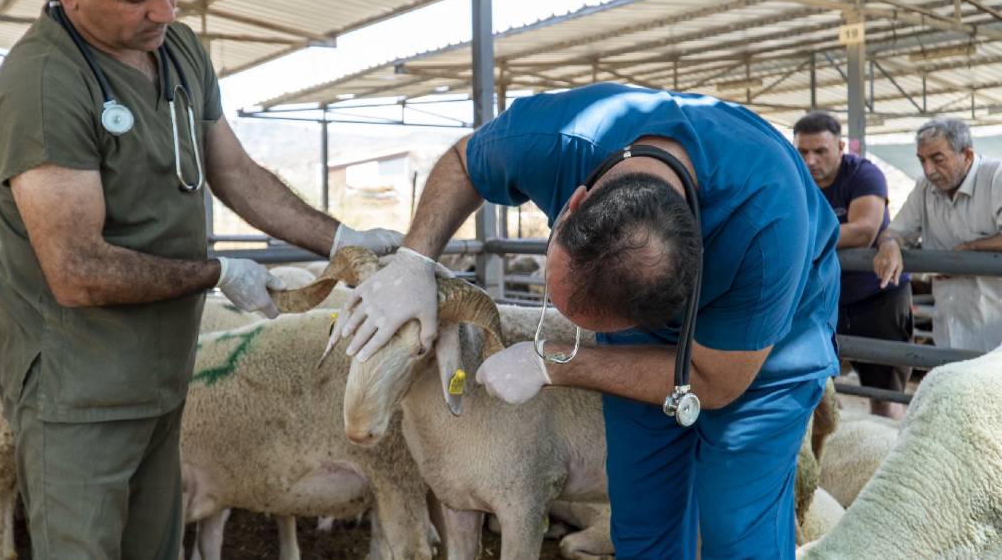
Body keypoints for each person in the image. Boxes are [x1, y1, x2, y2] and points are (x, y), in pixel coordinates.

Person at [0, 0, 400, 557]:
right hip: (77, 388)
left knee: (156, 546)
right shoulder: (44, 86)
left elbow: (234, 170)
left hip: (161, 374)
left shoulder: (179, 49)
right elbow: (76, 269)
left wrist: (339, 238)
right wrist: (217, 271)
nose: (164, 10)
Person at [332, 83, 840, 558]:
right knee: (642, 516)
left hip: (767, 340)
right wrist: (415, 260)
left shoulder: (764, 230)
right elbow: (464, 163)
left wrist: (555, 363)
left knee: (737, 527)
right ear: (573, 204)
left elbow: (715, 380)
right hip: (642, 313)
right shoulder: (556, 140)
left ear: (686, 287)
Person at [793, 112, 912, 420]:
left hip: (877, 297)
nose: (810, 161)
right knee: (818, 391)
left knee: (884, 396)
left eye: (820, 151)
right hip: (823, 301)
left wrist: (797, 240)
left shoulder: (864, 175)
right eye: (802, 151)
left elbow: (863, 231)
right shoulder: (795, 178)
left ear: (841, 146)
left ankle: (886, 461)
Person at [874, 117, 1002, 352]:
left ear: (968, 155)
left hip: (996, 327)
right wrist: (890, 244)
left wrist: (970, 250)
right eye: (922, 160)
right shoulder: (924, 188)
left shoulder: (996, 177)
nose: (928, 170)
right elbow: (895, 231)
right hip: (950, 324)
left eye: (937, 159)